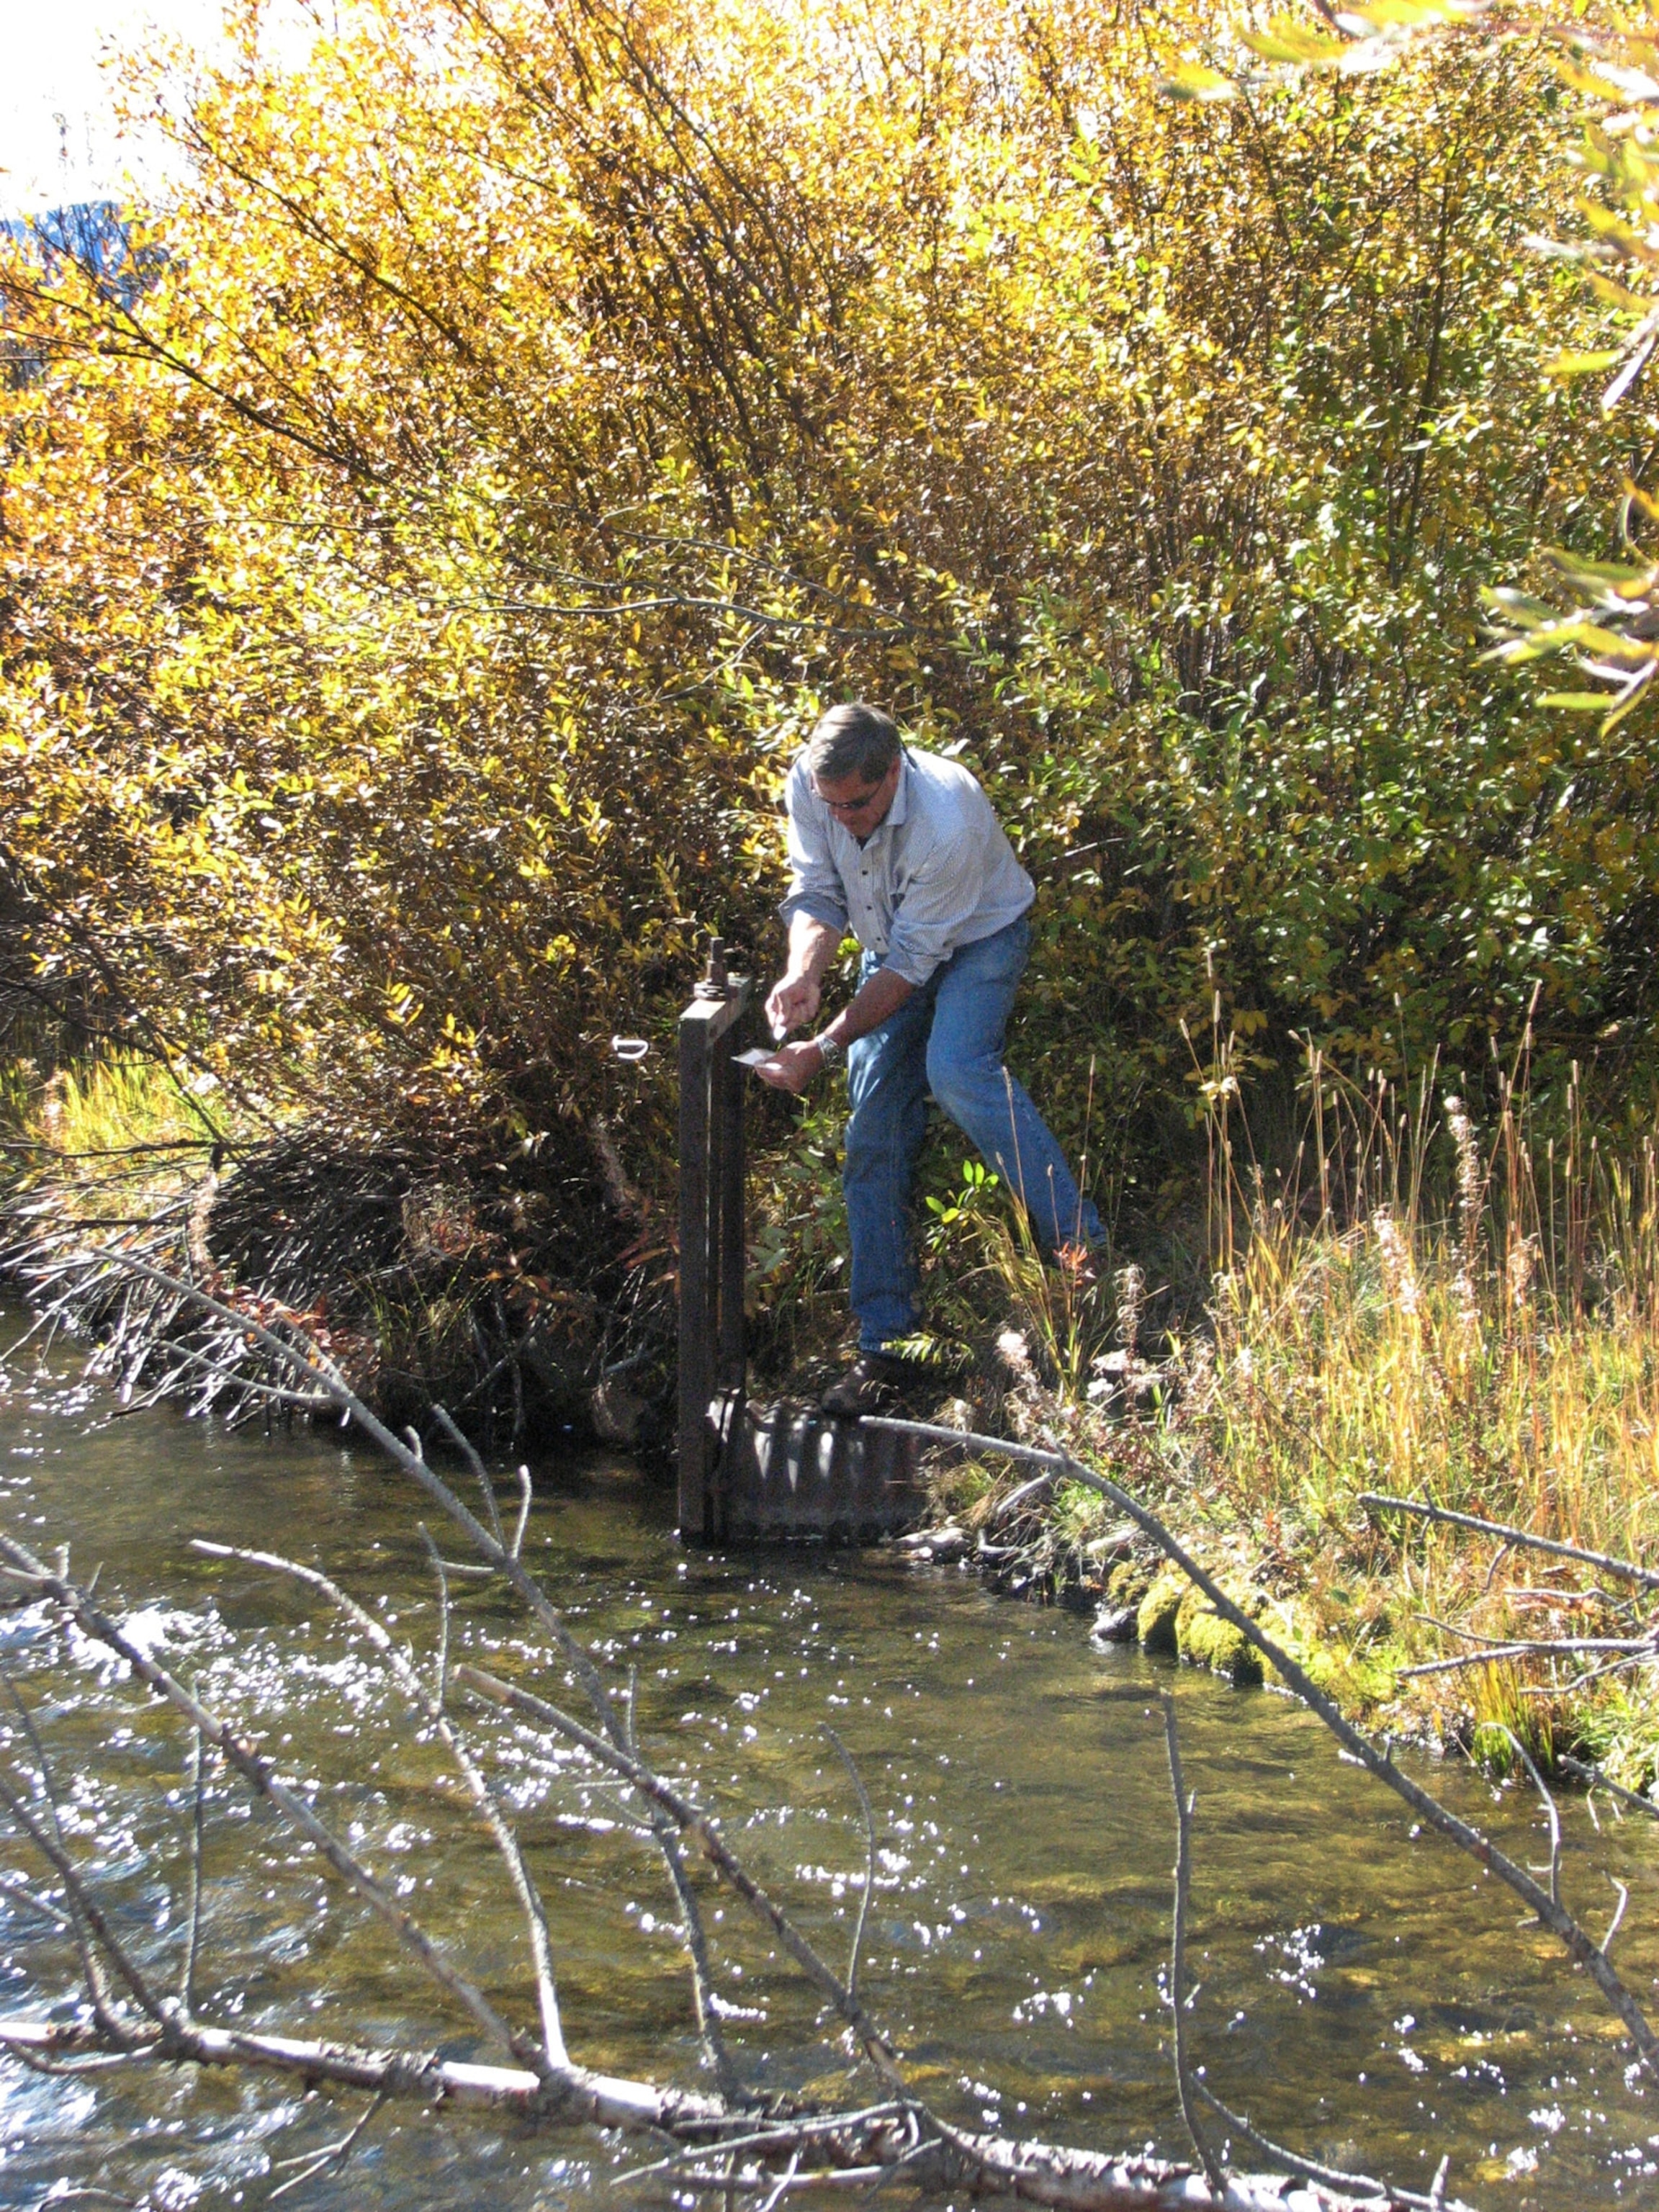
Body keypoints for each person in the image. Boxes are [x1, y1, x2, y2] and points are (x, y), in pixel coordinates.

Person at [755, 701, 1102, 1416]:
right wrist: (804, 975)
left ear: (893, 774)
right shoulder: (814, 784)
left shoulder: (945, 816)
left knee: (957, 1070)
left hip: (980, 941)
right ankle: (890, 1349)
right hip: (894, 945)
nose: (844, 818)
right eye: (832, 804)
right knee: (872, 1129)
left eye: (857, 805)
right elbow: (818, 892)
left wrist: (821, 1046)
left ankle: (1081, 1253)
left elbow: (912, 969)